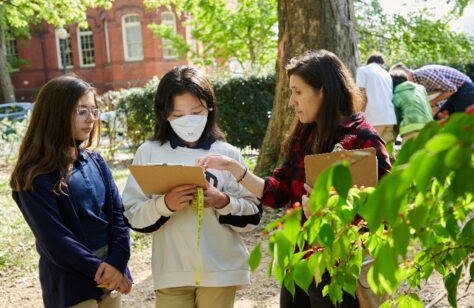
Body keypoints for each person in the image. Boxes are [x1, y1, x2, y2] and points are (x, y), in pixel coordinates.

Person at [197, 50, 392, 308]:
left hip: (340, 272)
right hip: (299, 264)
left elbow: (384, 214)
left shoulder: (363, 140)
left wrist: (328, 214)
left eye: (298, 92)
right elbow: (276, 192)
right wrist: (235, 169)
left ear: (324, 91)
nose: (291, 102)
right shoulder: (305, 135)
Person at [122, 66, 262, 308]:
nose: (188, 122)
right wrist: (164, 204)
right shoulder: (149, 152)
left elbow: (254, 214)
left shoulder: (226, 154)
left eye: (196, 112)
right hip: (171, 272)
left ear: (209, 107)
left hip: (220, 271)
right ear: (164, 114)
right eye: (178, 115)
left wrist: (224, 202)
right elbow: (132, 213)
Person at [10, 75, 132, 308]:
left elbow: (119, 215)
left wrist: (117, 262)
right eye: (81, 111)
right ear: (55, 113)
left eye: (94, 111)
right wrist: (102, 270)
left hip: (111, 278)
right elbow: (55, 239)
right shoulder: (33, 175)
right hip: (72, 287)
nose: (91, 119)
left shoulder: (95, 161)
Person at [390, 63, 474, 118]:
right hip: (455, 94)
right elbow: (442, 93)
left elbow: (451, 89)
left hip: (465, 90)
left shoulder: (423, 75)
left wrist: (431, 103)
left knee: (463, 125)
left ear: (404, 73)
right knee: (440, 119)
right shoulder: (417, 84)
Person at [355, 52, 397, 144]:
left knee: (371, 151)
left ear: (368, 62)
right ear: (382, 64)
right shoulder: (387, 74)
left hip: (373, 117)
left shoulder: (363, 70)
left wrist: (359, 114)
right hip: (390, 118)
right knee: (387, 153)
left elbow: (361, 93)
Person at [390, 68, 433, 143]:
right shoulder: (421, 89)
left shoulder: (396, 95)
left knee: (409, 154)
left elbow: (397, 119)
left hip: (411, 129)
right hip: (430, 127)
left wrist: (394, 138)